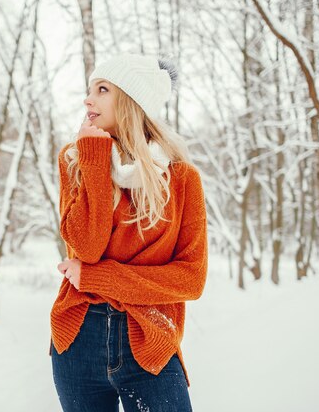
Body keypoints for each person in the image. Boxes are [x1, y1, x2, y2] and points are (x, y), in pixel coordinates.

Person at [49, 53, 208, 412]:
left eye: (102, 89)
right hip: (78, 341)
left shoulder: (182, 180)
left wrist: (95, 277)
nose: (87, 99)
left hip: (149, 340)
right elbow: (85, 248)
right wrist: (93, 159)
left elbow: (190, 280)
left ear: (132, 102)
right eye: (89, 90)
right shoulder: (75, 161)